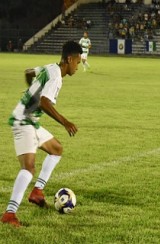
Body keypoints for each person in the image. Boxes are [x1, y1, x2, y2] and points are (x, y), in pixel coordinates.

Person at [0, 40, 82, 227]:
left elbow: (29, 72)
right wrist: (65, 122)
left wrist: (32, 92)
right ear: (69, 59)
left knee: (56, 149)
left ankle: (37, 191)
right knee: (28, 168)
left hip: (31, 121)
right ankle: (9, 214)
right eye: (77, 62)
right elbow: (45, 103)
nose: (77, 66)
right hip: (23, 120)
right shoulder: (56, 77)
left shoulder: (50, 68)